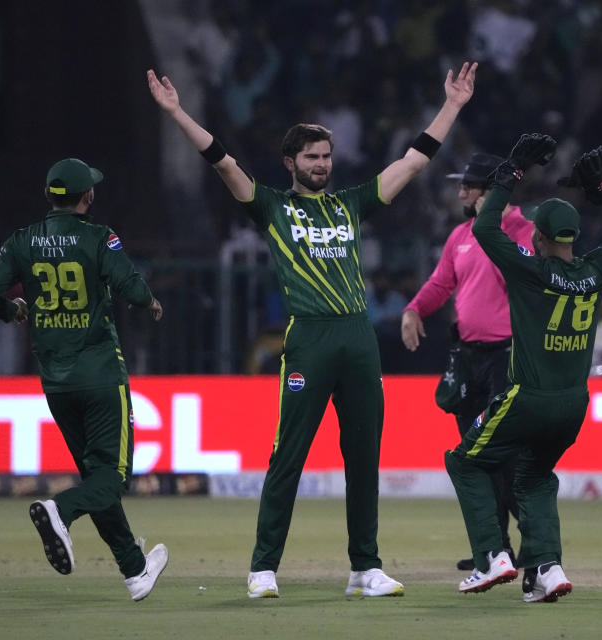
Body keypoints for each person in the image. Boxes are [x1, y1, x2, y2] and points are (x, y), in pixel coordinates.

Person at [147, 60, 478, 599]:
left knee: (364, 457)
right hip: (309, 340)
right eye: (312, 157)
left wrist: (453, 106)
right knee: (289, 455)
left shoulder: (351, 204)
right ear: (290, 162)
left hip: (358, 339)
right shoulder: (271, 208)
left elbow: (414, 162)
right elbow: (222, 161)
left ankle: (365, 568)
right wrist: (178, 112)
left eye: (326, 156)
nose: (322, 164)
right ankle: (263, 568)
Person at [445, 137, 602, 602]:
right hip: (574, 404)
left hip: (527, 398)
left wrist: (512, 170)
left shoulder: (529, 270)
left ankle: (492, 557)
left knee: (464, 461)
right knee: (532, 477)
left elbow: (486, 228)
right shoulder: (597, 271)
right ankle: (548, 569)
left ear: (537, 237)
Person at [0, 158, 168, 601]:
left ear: (48, 196)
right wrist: (150, 301)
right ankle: (58, 510)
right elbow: (131, 287)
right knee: (113, 479)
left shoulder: (22, 241)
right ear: (89, 197)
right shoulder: (99, 236)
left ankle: (134, 569)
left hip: (56, 381)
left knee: (95, 478)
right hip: (100, 375)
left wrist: (13, 310)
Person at [400, 152, 532, 571]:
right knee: (476, 454)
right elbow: (443, 282)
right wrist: (415, 309)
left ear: (492, 191)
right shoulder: (462, 234)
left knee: (505, 455)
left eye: (468, 187)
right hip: (469, 358)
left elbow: (531, 281)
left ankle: (535, 542)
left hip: (508, 357)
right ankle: (493, 548)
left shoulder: (524, 234)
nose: (460, 193)